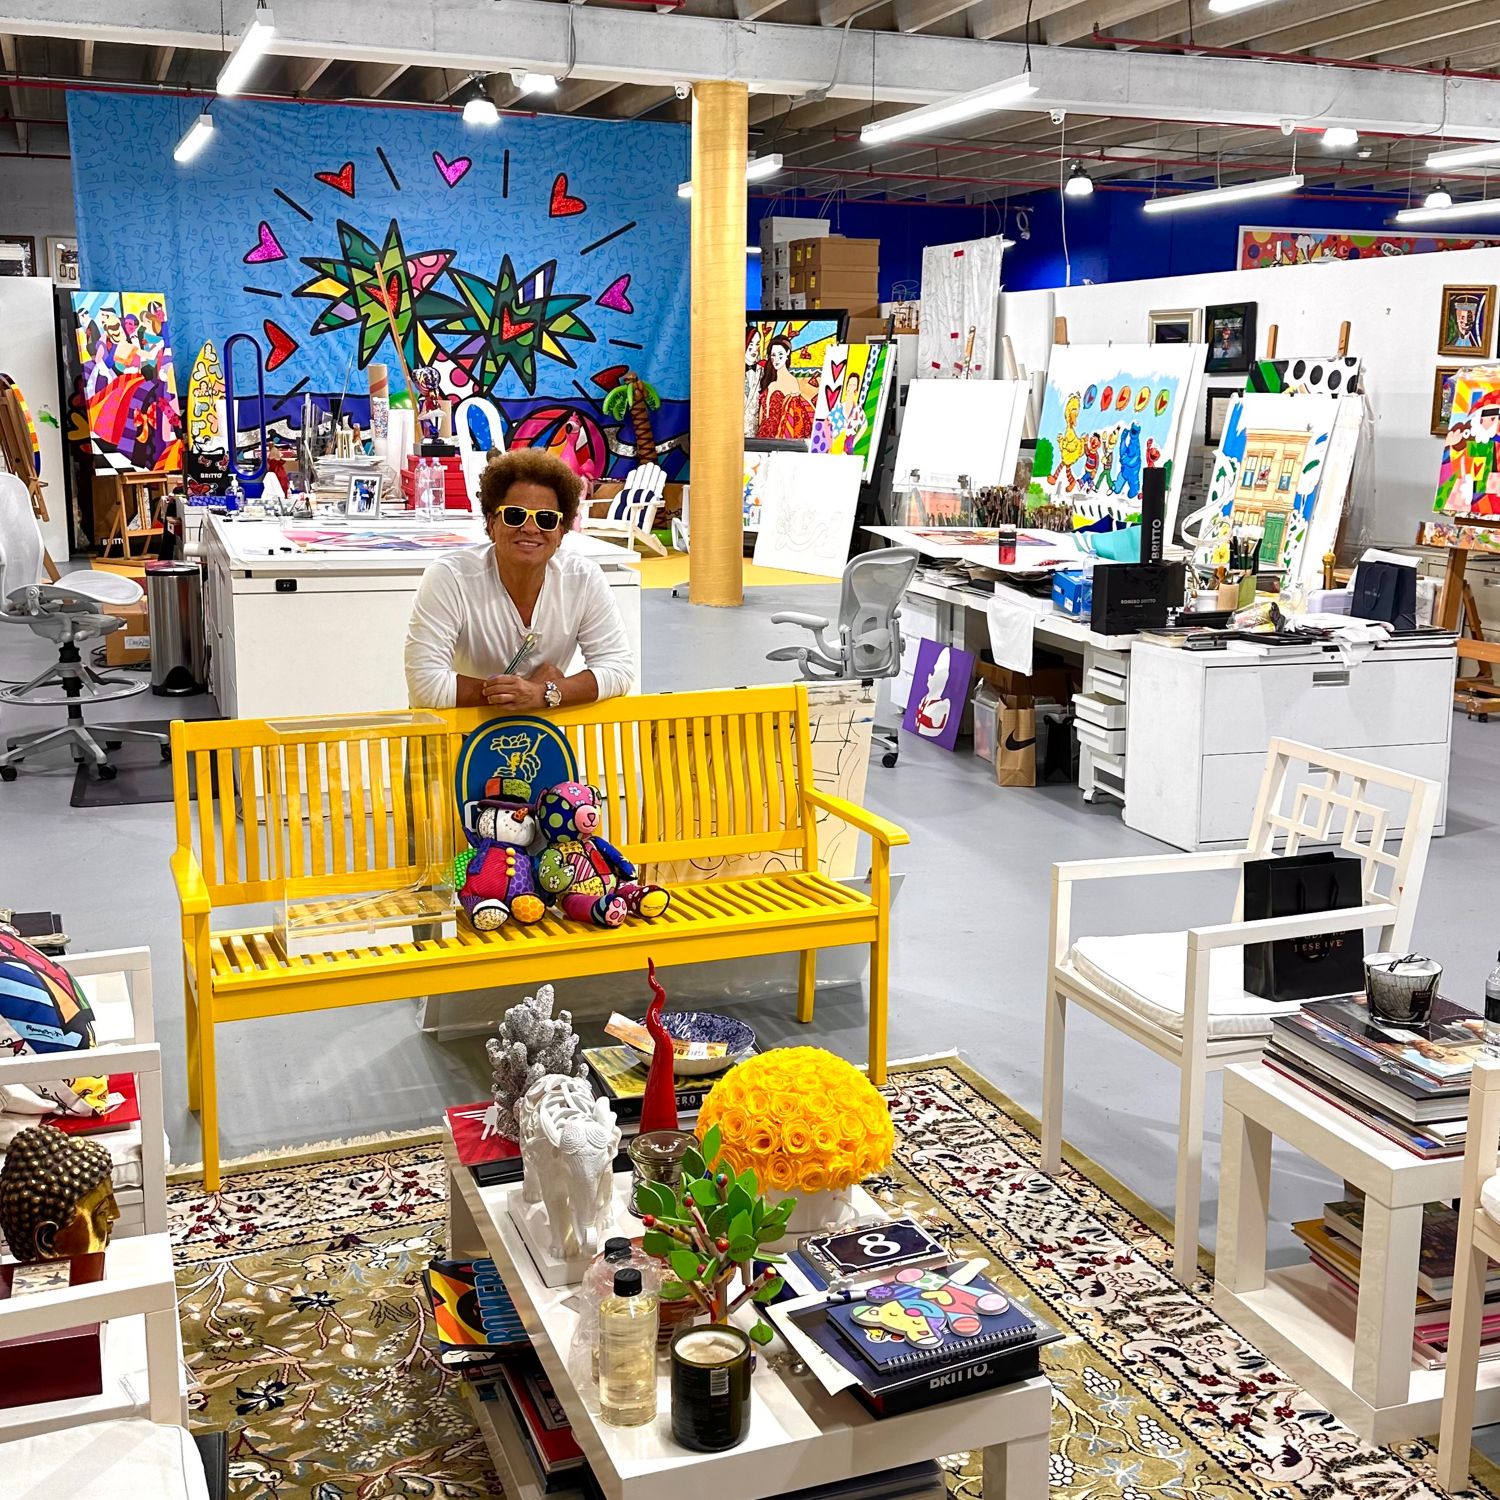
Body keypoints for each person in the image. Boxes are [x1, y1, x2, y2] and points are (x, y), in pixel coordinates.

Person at [404, 449, 633, 710]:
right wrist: (523, 692)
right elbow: (424, 685)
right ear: (491, 524)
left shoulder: (584, 578)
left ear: (561, 532)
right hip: (460, 730)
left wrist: (541, 693)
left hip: (539, 732)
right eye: (515, 515)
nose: (531, 528)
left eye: (546, 519)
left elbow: (618, 670)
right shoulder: (449, 578)